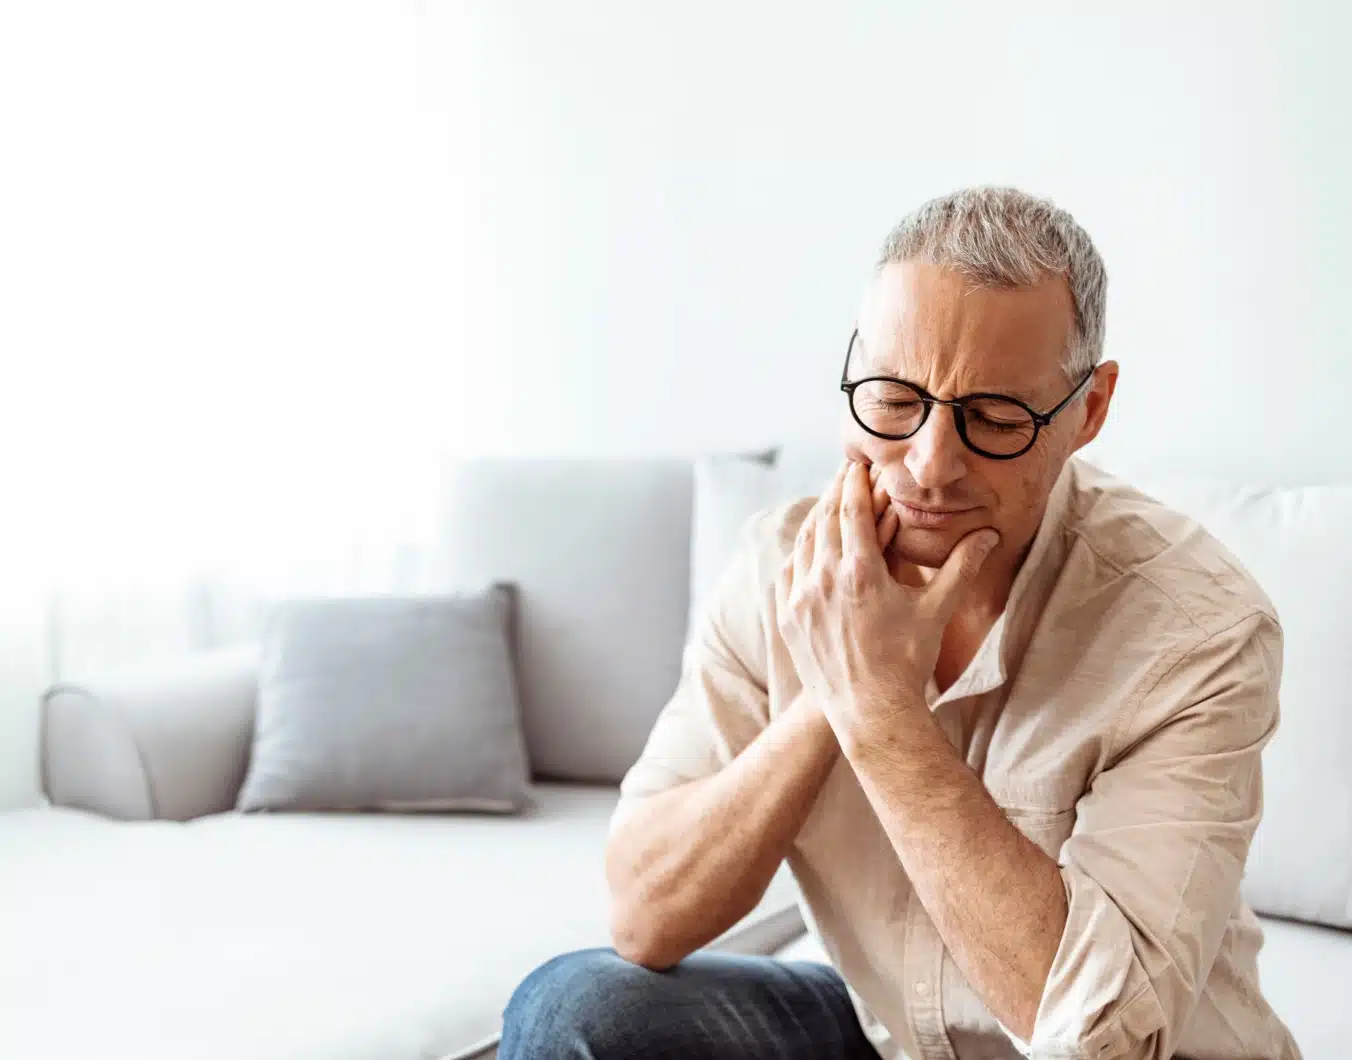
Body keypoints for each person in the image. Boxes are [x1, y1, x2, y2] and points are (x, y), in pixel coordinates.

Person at [498, 187, 1301, 1060]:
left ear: (1088, 411)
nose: (928, 466)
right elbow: (644, 915)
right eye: (891, 399)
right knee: (577, 1007)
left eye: (994, 418)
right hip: (893, 1038)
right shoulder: (784, 568)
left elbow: (1100, 1036)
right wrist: (835, 688)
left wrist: (882, 718)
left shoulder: (1199, 632)